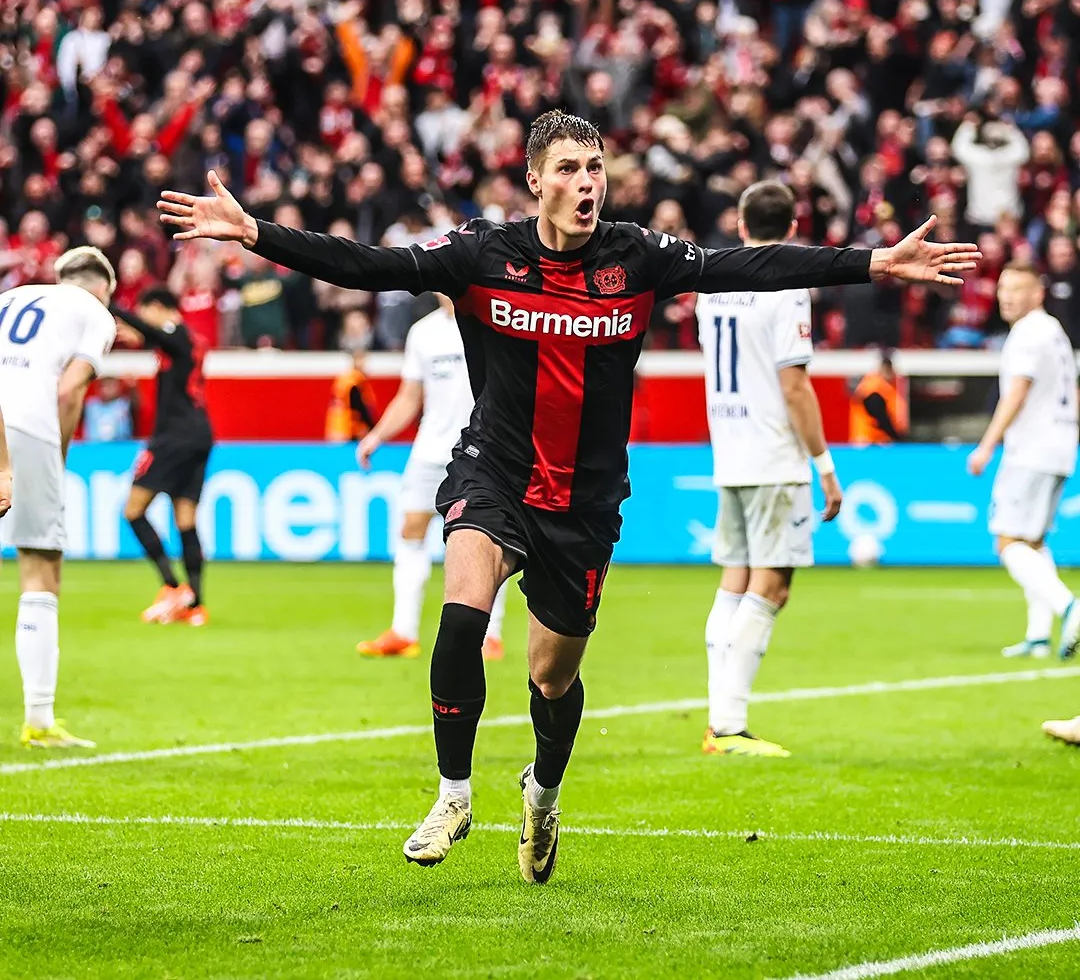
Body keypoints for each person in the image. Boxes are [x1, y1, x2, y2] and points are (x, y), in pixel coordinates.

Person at [158, 111, 978, 884]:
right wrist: (257, 233)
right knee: (462, 611)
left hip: (584, 503)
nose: (589, 183)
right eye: (571, 170)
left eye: (596, 169)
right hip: (496, 471)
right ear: (535, 181)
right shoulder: (481, 254)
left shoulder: (637, 257)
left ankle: (543, 795)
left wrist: (870, 261)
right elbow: (371, 263)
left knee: (552, 678)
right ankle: (453, 795)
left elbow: (750, 266)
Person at [697, 181, 844, 759]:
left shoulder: (714, 284)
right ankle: (729, 726)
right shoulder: (786, 286)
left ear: (740, 224)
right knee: (772, 584)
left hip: (728, 451)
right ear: (791, 229)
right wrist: (825, 465)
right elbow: (794, 385)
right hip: (773, 455)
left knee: (735, 579)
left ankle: (719, 721)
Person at [0, 246, 116, 748]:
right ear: (102, 289)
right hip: (30, 426)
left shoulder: (11, 297)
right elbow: (69, 392)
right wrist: (49, 459)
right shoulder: (94, 313)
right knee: (41, 567)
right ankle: (40, 721)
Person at [356, 294, 509, 662]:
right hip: (430, 450)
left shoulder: (494, 321)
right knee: (410, 529)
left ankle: (491, 634)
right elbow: (410, 397)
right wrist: (376, 436)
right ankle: (403, 631)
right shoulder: (422, 333)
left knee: (489, 538)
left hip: (484, 450)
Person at [968, 264, 1079, 659]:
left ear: (1038, 293)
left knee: (1007, 542)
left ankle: (1070, 607)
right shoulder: (1054, 332)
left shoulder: (1029, 333)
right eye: (1002, 289)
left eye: (1017, 288)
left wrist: (986, 445)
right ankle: (1038, 636)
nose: (1007, 297)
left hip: (1031, 448)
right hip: (1060, 446)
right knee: (1033, 543)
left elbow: (1016, 392)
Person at [112, 287, 214, 627]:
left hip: (175, 437)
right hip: (199, 435)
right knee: (185, 517)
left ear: (158, 308)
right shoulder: (190, 340)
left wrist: (107, 302)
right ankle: (195, 603)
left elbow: (154, 333)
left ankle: (171, 586)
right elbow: (152, 337)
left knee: (133, 509)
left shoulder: (175, 334)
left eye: (146, 313)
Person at [849, 351, 909, 444]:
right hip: (869, 440)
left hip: (880, 440)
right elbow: (878, 412)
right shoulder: (873, 385)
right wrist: (896, 436)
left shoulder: (887, 386)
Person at [325, 347, 377, 442]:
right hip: (348, 428)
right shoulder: (355, 381)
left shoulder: (344, 378)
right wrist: (372, 427)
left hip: (336, 426)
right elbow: (359, 406)